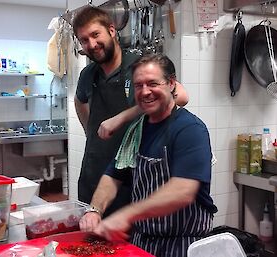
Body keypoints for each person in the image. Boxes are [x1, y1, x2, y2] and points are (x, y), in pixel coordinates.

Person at [79, 53, 217, 257]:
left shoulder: (190, 129)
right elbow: (113, 176)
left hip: (184, 245)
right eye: (138, 85)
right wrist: (95, 210)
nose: (145, 92)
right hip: (142, 244)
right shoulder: (136, 130)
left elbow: (183, 190)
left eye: (152, 83)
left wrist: (127, 215)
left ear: (171, 84)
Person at [73, 6, 189, 217]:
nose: (91, 44)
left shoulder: (138, 65)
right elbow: (79, 101)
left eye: (95, 35)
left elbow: (181, 95)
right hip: (94, 174)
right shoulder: (87, 74)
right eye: (83, 40)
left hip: (132, 177)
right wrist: (90, 132)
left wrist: (122, 117)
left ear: (111, 30)